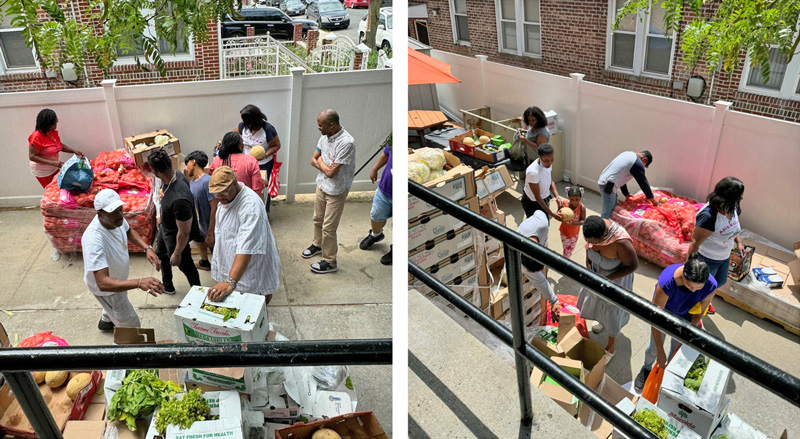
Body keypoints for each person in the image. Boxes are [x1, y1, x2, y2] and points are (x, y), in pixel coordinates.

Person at [82, 189, 164, 331]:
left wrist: (147, 248)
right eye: (114, 212)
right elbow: (103, 282)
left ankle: (107, 319)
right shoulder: (94, 240)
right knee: (131, 325)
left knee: (114, 304)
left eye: (120, 210)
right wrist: (139, 282)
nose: (120, 215)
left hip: (118, 279)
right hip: (109, 290)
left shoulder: (115, 221)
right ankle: (124, 347)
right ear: (99, 214)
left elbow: (128, 231)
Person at [634, 254, 717, 393]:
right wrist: (660, 351)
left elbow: (700, 311)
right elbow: (655, 318)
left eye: (698, 288)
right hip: (665, 315)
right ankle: (647, 368)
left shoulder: (711, 285)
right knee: (654, 349)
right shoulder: (667, 282)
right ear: (684, 274)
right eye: (689, 285)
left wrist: (689, 329)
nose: (693, 290)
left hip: (686, 318)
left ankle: (668, 373)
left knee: (676, 350)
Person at [205, 167, 281, 305]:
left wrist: (230, 282)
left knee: (253, 312)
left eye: (223, 193)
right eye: (217, 194)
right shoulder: (227, 199)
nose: (220, 197)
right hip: (232, 266)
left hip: (251, 272)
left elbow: (245, 249)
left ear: (235, 183)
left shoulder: (250, 208)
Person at [576, 216, 639, 358]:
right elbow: (588, 249)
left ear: (604, 236)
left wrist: (607, 279)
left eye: (592, 241)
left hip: (615, 281)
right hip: (597, 277)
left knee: (611, 310)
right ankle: (601, 322)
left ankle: (611, 345)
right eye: (587, 240)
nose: (589, 244)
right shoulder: (594, 228)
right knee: (597, 303)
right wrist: (588, 267)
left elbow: (633, 265)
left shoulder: (621, 242)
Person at [302, 109, 356, 274]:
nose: (318, 128)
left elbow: (332, 173)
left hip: (336, 190)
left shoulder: (347, 142)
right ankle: (317, 245)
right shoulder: (324, 136)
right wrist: (323, 164)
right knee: (317, 219)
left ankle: (330, 261)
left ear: (331, 125)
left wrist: (321, 162)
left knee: (329, 228)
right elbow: (313, 159)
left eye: (320, 125)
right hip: (322, 184)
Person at [687, 176, 745, 315]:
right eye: (739, 197)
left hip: (724, 257)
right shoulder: (709, 216)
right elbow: (694, 243)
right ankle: (694, 310)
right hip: (707, 259)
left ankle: (705, 301)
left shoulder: (733, 208)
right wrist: (692, 266)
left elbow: (733, 227)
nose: (740, 199)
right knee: (701, 287)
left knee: (718, 282)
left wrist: (739, 242)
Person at [148, 149, 202, 295]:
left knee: (186, 265)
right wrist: (161, 216)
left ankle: (198, 293)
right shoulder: (175, 174)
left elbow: (184, 232)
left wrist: (177, 253)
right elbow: (162, 195)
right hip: (165, 229)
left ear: (155, 172)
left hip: (176, 236)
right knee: (161, 254)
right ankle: (168, 286)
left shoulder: (179, 200)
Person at [214, 105, 281, 213]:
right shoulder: (243, 127)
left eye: (244, 119)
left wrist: (265, 155)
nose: (242, 122)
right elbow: (232, 134)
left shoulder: (268, 129)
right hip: (247, 163)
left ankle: (264, 211)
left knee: (262, 188)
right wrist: (221, 142)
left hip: (263, 164)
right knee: (247, 187)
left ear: (252, 120)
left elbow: (276, 145)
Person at [207, 132, 265, 248]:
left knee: (226, 241)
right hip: (245, 208)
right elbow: (257, 190)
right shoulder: (250, 161)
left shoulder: (217, 161)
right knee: (245, 241)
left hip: (223, 209)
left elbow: (212, 182)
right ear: (240, 146)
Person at [518, 210, 562, 321]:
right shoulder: (521, 259)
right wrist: (554, 301)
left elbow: (538, 211)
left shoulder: (542, 223)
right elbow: (540, 281)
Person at [28, 109, 85, 188]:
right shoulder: (36, 137)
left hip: (54, 166)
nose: (56, 125)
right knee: (53, 190)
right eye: (54, 123)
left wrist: (73, 151)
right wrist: (53, 163)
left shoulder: (52, 132)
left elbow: (58, 145)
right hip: (43, 171)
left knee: (61, 186)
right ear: (47, 124)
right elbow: (32, 156)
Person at [359, 143, 392, 265]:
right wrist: (374, 169)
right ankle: (376, 234)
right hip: (385, 190)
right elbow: (386, 154)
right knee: (376, 215)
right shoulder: (394, 138)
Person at [597, 150, 657, 219]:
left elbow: (620, 175)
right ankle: (602, 227)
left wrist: (626, 193)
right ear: (644, 159)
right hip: (608, 184)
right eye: (644, 165)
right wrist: (652, 199)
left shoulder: (628, 154)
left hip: (606, 181)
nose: (643, 167)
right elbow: (643, 182)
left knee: (613, 207)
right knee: (608, 212)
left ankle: (607, 225)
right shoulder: (637, 163)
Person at [185, 151, 214, 271]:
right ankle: (204, 262)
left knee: (217, 252)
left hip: (210, 227)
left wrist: (211, 233)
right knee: (197, 238)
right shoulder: (192, 182)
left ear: (193, 162)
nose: (186, 169)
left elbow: (215, 207)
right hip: (199, 224)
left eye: (187, 165)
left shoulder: (207, 181)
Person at [521, 143, 563, 221]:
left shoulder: (548, 164)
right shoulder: (533, 172)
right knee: (535, 226)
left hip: (544, 198)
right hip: (533, 202)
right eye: (546, 161)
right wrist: (552, 214)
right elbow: (537, 196)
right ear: (539, 157)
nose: (550, 163)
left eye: (552, 159)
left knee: (544, 224)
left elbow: (550, 180)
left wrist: (557, 197)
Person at [557, 186, 587, 258]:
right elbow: (558, 214)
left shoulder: (581, 207)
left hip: (574, 234)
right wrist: (559, 214)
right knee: (566, 249)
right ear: (568, 197)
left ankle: (565, 261)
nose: (574, 202)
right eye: (572, 199)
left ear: (581, 197)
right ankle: (565, 261)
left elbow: (583, 221)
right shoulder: (564, 204)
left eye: (577, 199)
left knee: (569, 251)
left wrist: (572, 223)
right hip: (564, 231)